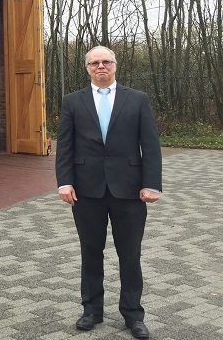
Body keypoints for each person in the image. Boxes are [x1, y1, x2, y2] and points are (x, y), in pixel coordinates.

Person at [56, 46, 162, 339]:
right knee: (91, 252)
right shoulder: (72, 102)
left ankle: (133, 315)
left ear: (115, 66)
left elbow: (150, 144)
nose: (100, 66)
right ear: (87, 68)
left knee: (130, 254)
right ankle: (91, 310)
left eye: (105, 62)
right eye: (94, 63)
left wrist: (151, 183)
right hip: (86, 190)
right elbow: (64, 145)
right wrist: (64, 182)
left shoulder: (137, 100)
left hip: (129, 190)